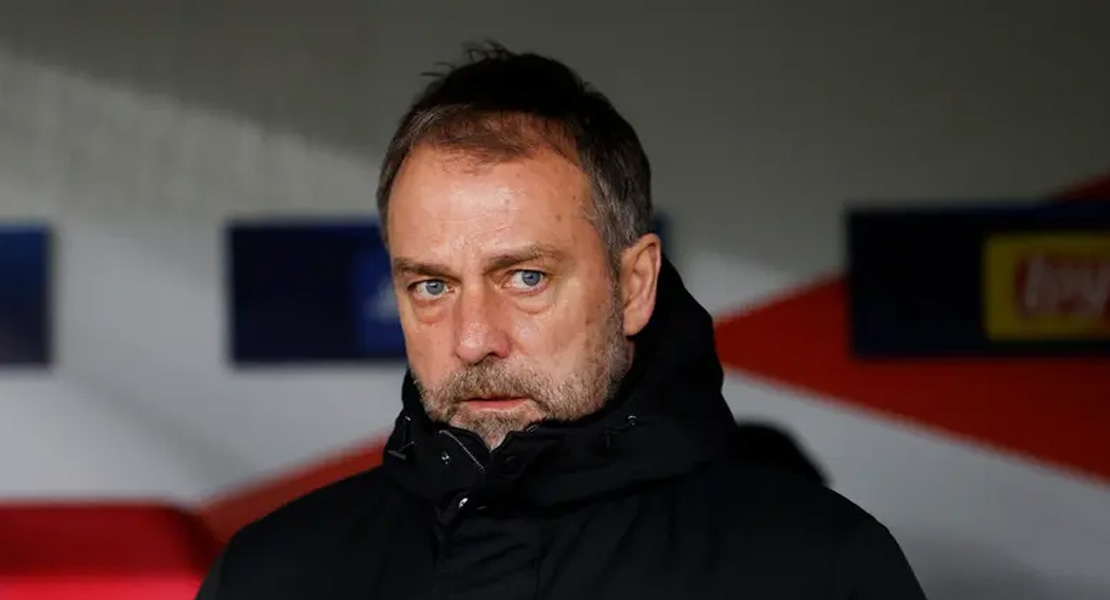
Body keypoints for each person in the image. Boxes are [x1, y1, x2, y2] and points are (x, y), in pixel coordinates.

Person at [195, 42, 927, 599]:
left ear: (634, 285)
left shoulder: (818, 570)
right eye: (432, 286)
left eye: (526, 278)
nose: (474, 340)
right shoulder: (272, 577)